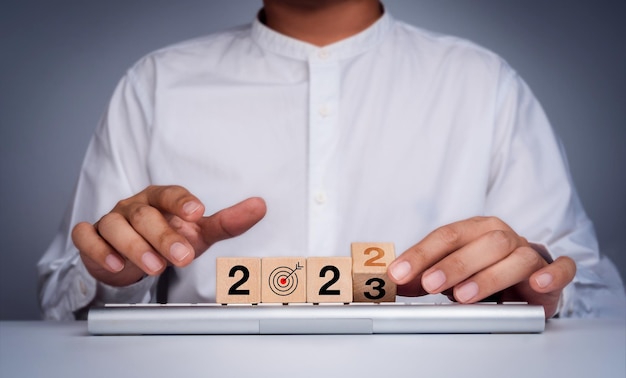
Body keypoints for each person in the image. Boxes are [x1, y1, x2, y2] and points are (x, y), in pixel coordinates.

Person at [38, 0, 625, 320]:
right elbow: (61, 297)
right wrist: (110, 276)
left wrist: (543, 289)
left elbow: (595, 295)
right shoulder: (155, 83)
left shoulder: (483, 83)